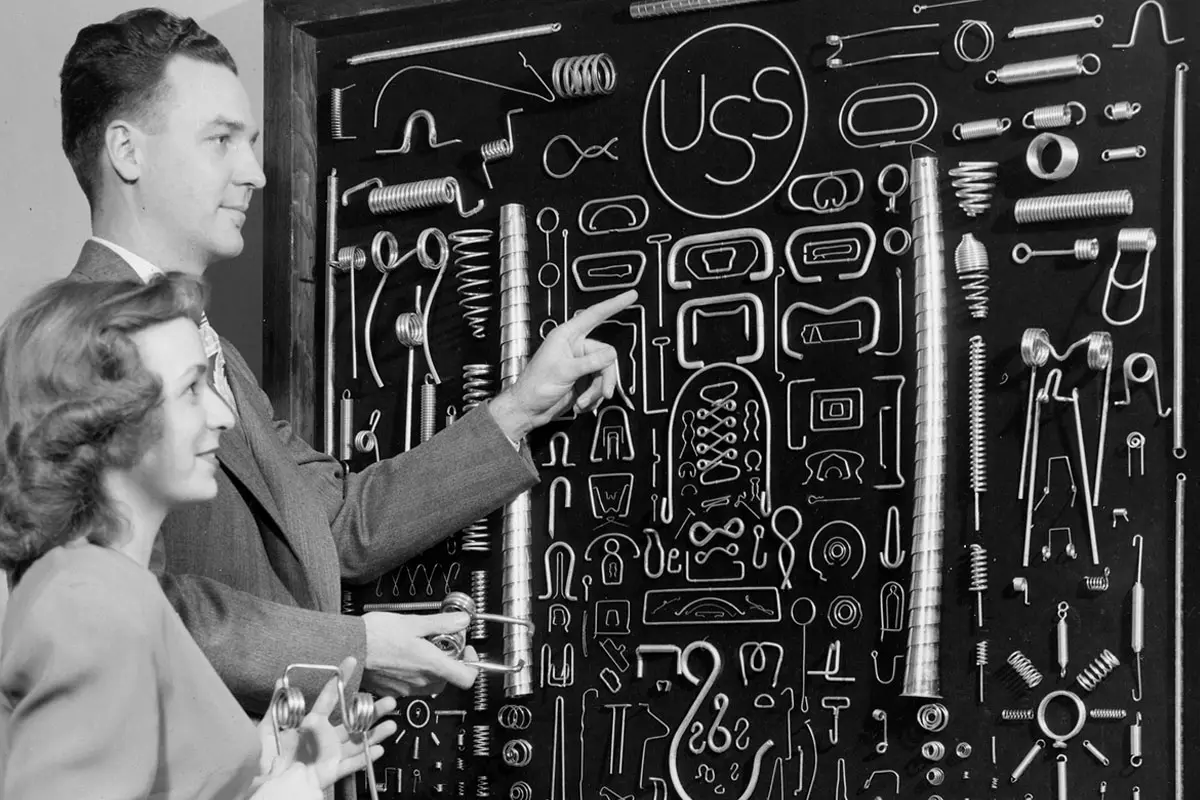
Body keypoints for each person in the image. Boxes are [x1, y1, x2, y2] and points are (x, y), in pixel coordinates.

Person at [59, 7, 637, 711]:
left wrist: (521, 407)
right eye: (221, 141)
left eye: (252, 141)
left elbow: (331, 524)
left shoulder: (213, 352)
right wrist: (352, 649)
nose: (255, 173)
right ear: (128, 152)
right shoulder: (71, 350)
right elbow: (134, 612)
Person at [0, 274, 396, 799]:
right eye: (191, 389)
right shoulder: (86, 605)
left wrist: (278, 770)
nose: (224, 415)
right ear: (109, 423)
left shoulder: (111, 587)